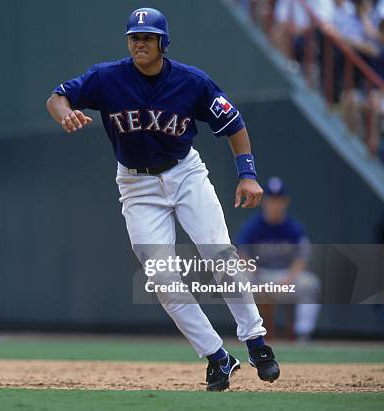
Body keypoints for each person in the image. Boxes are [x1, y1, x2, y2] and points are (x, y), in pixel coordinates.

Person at [46, 7, 279, 391]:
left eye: (147, 37)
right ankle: (218, 358)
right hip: (136, 185)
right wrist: (64, 113)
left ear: (162, 43)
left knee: (218, 253)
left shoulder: (191, 81)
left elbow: (233, 124)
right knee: (160, 276)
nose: (139, 43)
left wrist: (248, 175)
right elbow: (57, 96)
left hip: (184, 173)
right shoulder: (108, 78)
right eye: (134, 37)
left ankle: (256, 340)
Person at [237, 177, 321, 341]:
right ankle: (249, 333)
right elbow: (242, 255)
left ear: (285, 202)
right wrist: (257, 277)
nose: (275, 204)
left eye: (279, 200)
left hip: (285, 277)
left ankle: (302, 334)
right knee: (239, 280)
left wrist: (287, 281)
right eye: (271, 200)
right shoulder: (253, 225)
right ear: (264, 201)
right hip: (261, 276)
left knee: (311, 284)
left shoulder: (293, 227)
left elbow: (302, 258)